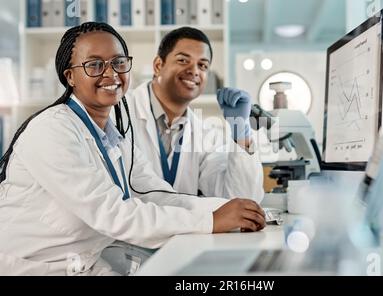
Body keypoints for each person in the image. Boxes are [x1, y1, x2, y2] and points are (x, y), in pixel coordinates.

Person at [0, 22, 265, 276]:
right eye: (94, 64)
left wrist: (230, 209)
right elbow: (113, 213)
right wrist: (212, 220)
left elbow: (156, 194)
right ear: (69, 76)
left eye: (119, 62)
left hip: (84, 263)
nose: (111, 73)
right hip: (32, 268)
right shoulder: (52, 130)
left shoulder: (115, 135)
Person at [124, 27, 264, 201]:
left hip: (185, 228)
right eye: (183, 60)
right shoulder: (121, 112)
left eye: (203, 65)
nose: (194, 70)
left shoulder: (205, 134)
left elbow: (240, 198)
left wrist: (241, 131)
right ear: (158, 65)